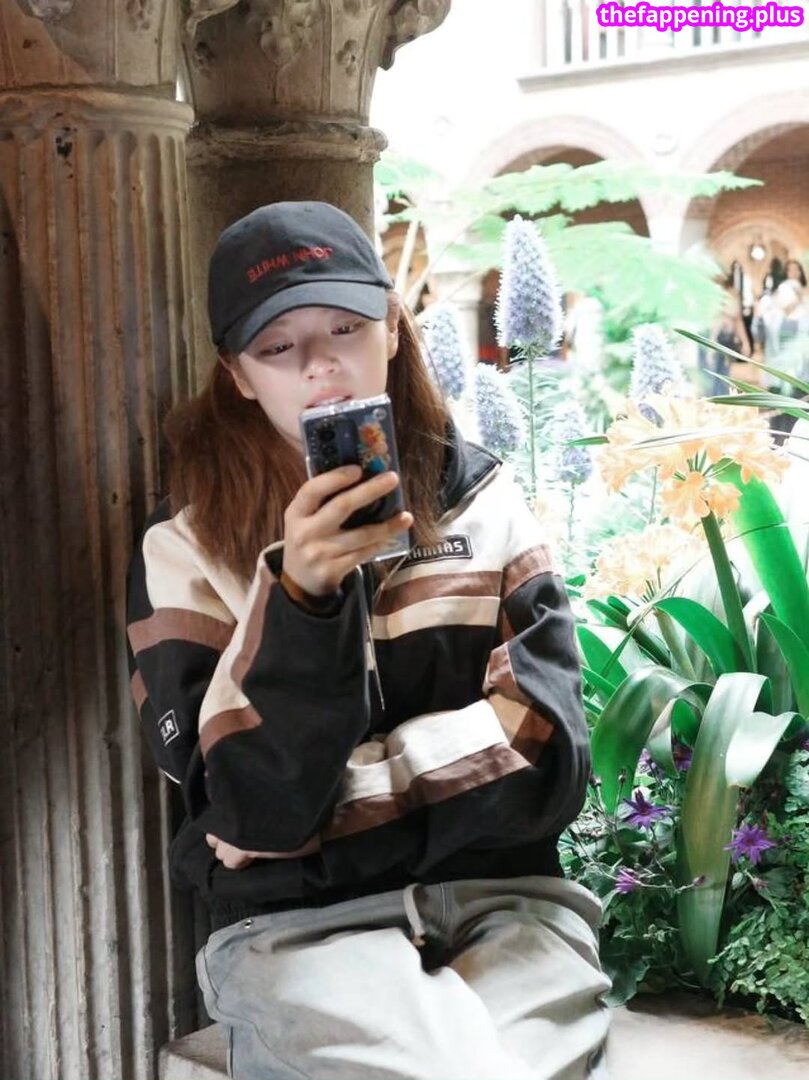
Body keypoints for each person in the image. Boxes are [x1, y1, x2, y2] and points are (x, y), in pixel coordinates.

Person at [126, 201, 609, 1080]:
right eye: (277, 347)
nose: (320, 366)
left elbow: (545, 760)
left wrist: (331, 812)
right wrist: (301, 597)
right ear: (238, 376)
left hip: (510, 906)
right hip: (299, 936)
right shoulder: (184, 545)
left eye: (345, 328)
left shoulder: (485, 503)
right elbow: (240, 806)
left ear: (391, 326)